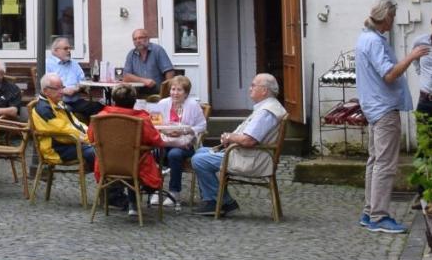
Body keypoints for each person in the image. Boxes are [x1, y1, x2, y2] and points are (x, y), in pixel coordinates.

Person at [356, 0, 428, 234]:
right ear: (385, 17)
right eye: (393, 17)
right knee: (385, 164)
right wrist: (412, 56)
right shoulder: (374, 42)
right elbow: (389, 74)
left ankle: (369, 212)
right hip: (384, 108)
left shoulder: (364, 38)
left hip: (374, 107)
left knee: (375, 161)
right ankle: (379, 216)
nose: (394, 22)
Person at [190, 73, 286, 217]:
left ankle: (216, 201)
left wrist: (230, 137)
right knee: (200, 152)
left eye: (253, 85)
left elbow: (249, 140)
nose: (249, 88)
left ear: (264, 90)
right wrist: (231, 138)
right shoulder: (267, 107)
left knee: (199, 160)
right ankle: (223, 200)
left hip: (252, 159)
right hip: (247, 153)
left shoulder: (267, 112)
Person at [89, 84, 187, 213]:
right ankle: (140, 199)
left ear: (114, 101)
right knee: (136, 156)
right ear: (134, 102)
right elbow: (155, 140)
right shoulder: (141, 119)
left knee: (131, 155)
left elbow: (91, 137)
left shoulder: (100, 117)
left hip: (108, 165)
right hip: (136, 166)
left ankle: (129, 203)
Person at [146, 74, 208, 208]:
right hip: (164, 141)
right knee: (150, 152)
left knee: (174, 155)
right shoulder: (163, 103)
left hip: (184, 144)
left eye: (179, 90)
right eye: (173, 89)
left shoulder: (193, 105)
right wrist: (165, 131)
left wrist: (184, 131)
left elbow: (202, 126)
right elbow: (153, 123)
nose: (175, 93)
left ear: (186, 93)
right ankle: (155, 190)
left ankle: (174, 192)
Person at [31, 73, 95, 173]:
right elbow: (65, 133)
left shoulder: (58, 103)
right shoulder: (44, 110)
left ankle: (107, 181)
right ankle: (110, 185)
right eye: (57, 89)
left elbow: (75, 123)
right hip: (55, 150)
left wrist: (91, 134)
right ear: (45, 91)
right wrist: (90, 140)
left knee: (102, 148)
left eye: (62, 87)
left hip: (68, 144)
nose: (62, 92)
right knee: (96, 152)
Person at [45, 37, 104, 120]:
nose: (69, 51)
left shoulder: (74, 63)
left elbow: (83, 82)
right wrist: (63, 91)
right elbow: (45, 86)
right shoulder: (47, 64)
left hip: (76, 101)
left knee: (98, 107)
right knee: (68, 110)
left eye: (69, 48)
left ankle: (91, 132)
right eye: (65, 48)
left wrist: (76, 89)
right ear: (55, 50)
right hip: (58, 102)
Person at [122, 28, 175, 96]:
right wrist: (143, 81)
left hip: (157, 94)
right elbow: (126, 76)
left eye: (140, 38)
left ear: (148, 38)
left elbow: (169, 72)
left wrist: (167, 92)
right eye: (135, 39)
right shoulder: (131, 54)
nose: (138, 41)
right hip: (137, 94)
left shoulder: (157, 50)